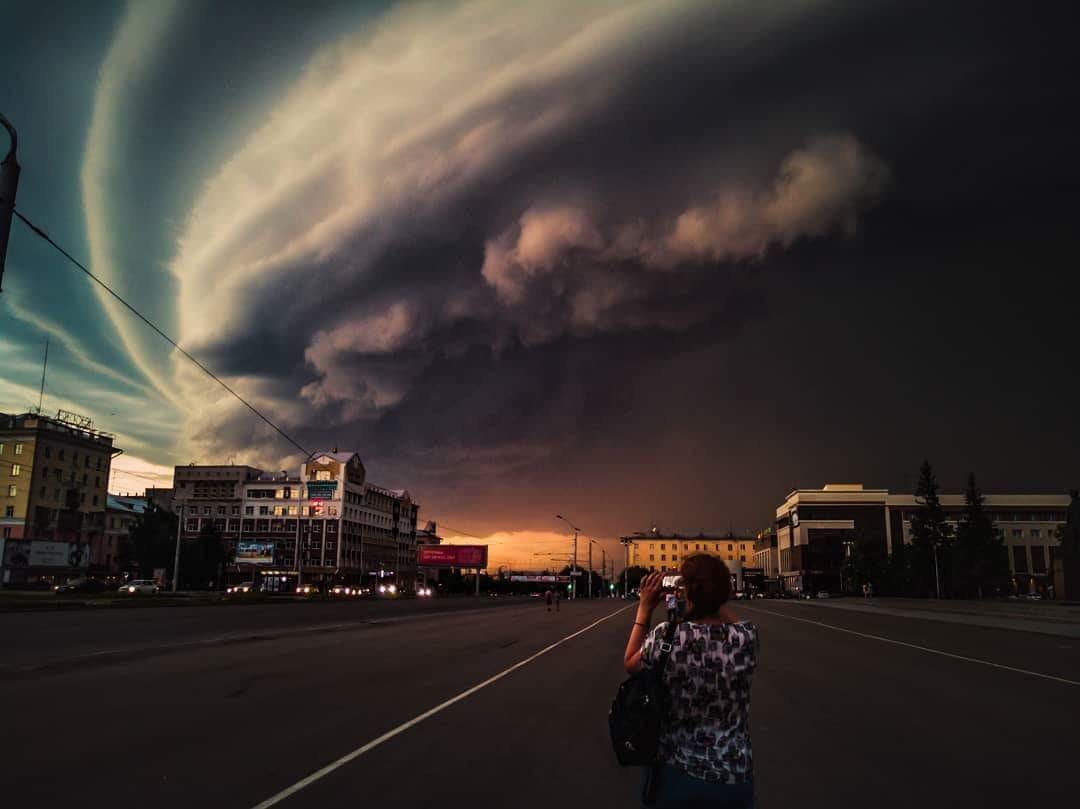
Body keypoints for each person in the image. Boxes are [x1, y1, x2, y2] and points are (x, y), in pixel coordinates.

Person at [623, 556, 757, 808]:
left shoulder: (668, 635)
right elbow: (730, 619)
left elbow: (630, 661)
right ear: (724, 591)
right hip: (734, 774)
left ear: (686, 592)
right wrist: (714, 600)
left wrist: (645, 608)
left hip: (676, 774)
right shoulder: (746, 636)